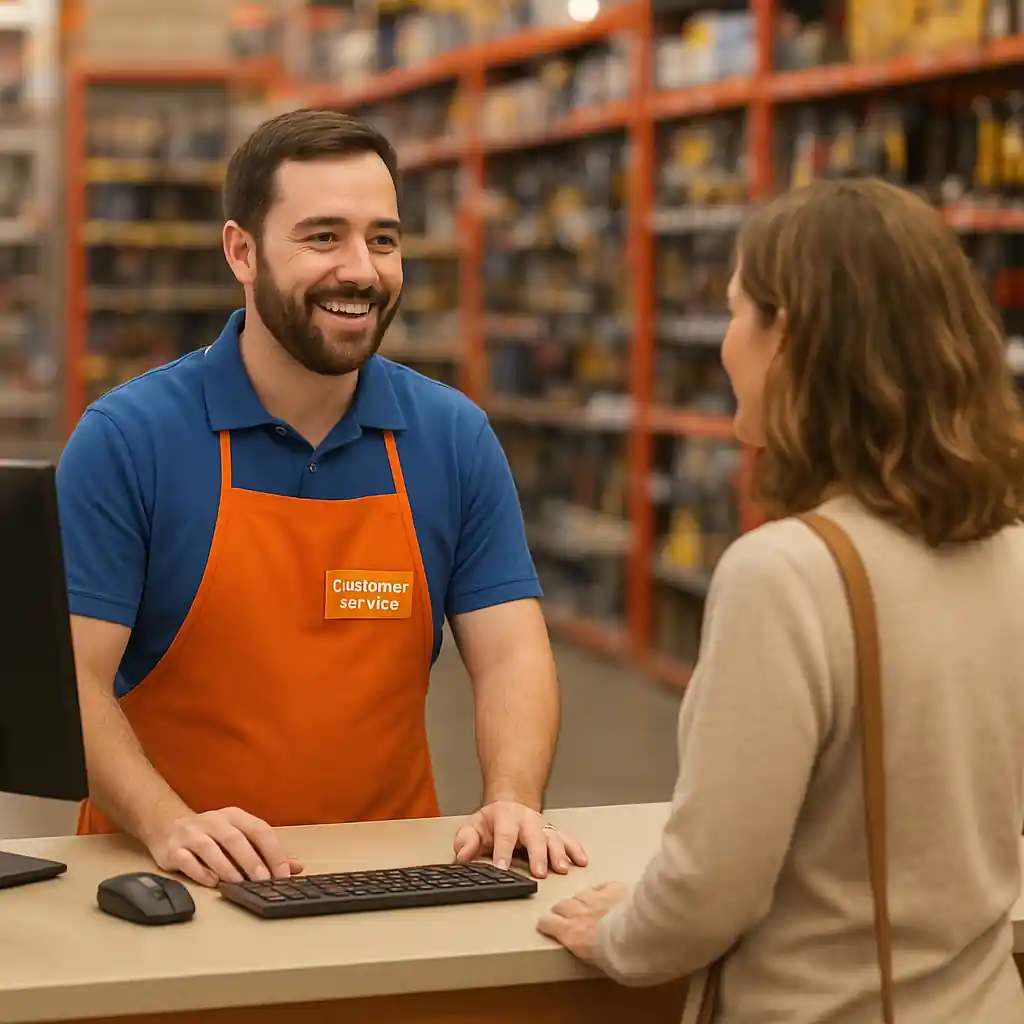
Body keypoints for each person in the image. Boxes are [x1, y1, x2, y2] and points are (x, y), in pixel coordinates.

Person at [56, 108, 587, 889]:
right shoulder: (129, 440)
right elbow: (74, 682)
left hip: (390, 880)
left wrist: (514, 800)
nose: (362, 271)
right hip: (172, 879)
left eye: (383, 239)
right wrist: (168, 823)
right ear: (243, 251)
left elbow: (511, 652)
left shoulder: (451, 437)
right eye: (323, 237)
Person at [538, 177, 1024, 1022]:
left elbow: (712, 887)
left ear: (787, 338)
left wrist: (621, 933)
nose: (726, 345)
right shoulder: (1009, 550)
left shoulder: (789, 575)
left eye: (736, 313)